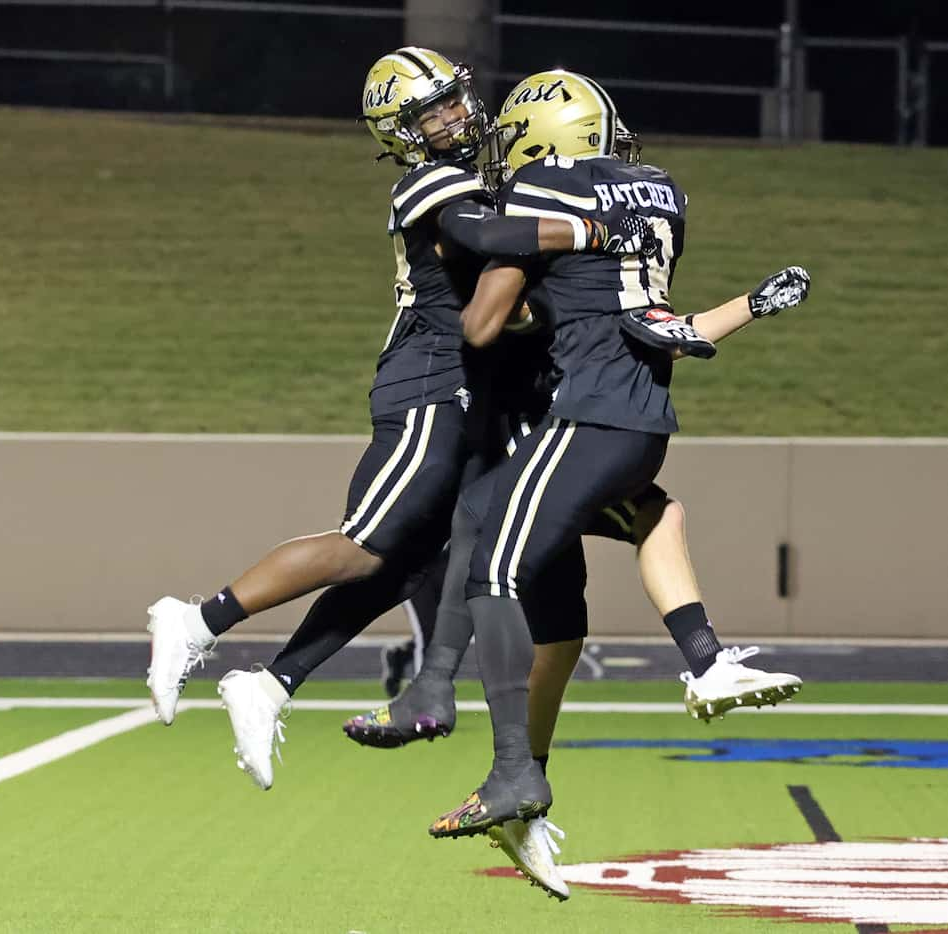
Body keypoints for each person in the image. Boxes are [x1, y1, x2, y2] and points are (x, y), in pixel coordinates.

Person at [144, 48, 644, 774]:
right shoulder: (430, 181)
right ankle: (195, 620)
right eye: (430, 111)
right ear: (400, 134)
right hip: (429, 379)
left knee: (403, 567)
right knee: (365, 545)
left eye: (453, 100)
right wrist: (590, 230)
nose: (454, 116)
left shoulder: (485, 178)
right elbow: (482, 239)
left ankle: (272, 683)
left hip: (480, 388)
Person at [343, 69, 809, 842]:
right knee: (623, 545)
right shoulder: (657, 196)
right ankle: (700, 660)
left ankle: (498, 759)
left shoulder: (542, 195)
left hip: (564, 421)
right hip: (638, 418)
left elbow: (484, 322)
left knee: (485, 557)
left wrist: (515, 302)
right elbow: (667, 328)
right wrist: (753, 306)